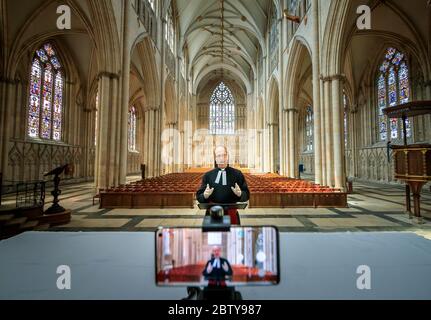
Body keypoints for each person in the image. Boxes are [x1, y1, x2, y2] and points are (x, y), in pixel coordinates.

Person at [196, 146, 250, 225]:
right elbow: (199, 198)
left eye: (224, 155)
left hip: (231, 213)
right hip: (212, 213)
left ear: (227, 156)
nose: (222, 158)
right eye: (219, 155)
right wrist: (205, 195)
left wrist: (240, 194)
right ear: (215, 158)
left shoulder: (237, 174)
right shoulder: (208, 175)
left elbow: (246, 195)